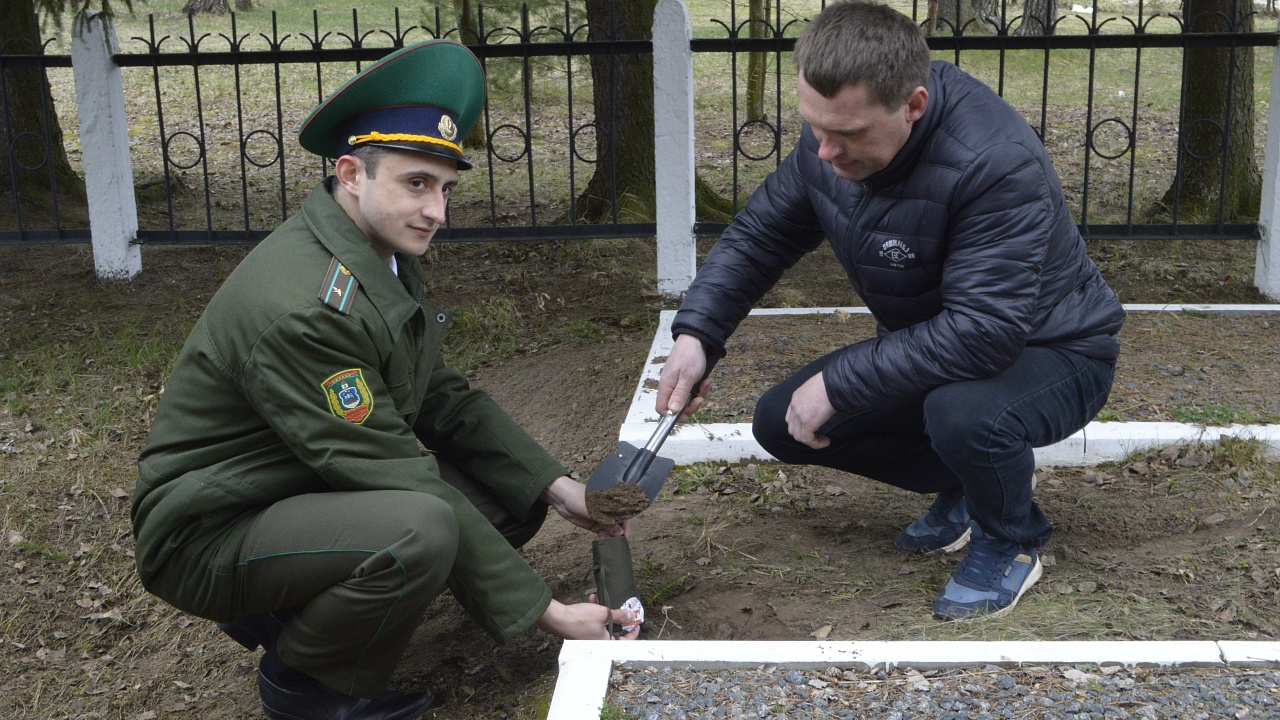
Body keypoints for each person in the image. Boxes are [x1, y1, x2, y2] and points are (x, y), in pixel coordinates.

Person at [131, 40, 638, 720]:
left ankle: (300, 604)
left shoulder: (370, 250)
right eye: (416, 184)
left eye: (446, 188)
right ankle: (305, 684)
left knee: (508, 497)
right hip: (208, 531)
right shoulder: (306, 306)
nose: (437, 212)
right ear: (350, 172)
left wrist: (557, 486)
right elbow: (401, 476)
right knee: (420, 527)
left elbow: (435, 392)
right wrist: (547, 614)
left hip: (286, 488)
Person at [656, 0, 1125, 622]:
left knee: (962, 414)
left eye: (847, 135)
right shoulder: (833, 131)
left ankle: (1011, 538)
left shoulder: (995, 162)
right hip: (945, 344)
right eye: (814, 127)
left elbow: (984, 332)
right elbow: (760, 236)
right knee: (780, 422)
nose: (824, 151)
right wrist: (697, 334)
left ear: (914, 105)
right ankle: (967, 486)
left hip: (1054, 351)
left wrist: (842, 379)